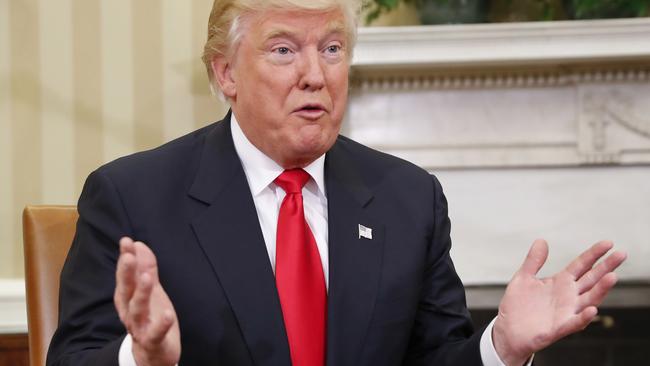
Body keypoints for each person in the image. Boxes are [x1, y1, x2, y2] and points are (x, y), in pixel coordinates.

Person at [46, 0, 627, 365]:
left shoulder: (409, 199)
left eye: (331, 49)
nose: (314, 76)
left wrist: (501, 346)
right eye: (283, 50)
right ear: (226, 72)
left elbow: (437, 357)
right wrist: (141, 359)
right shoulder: (133, 197)